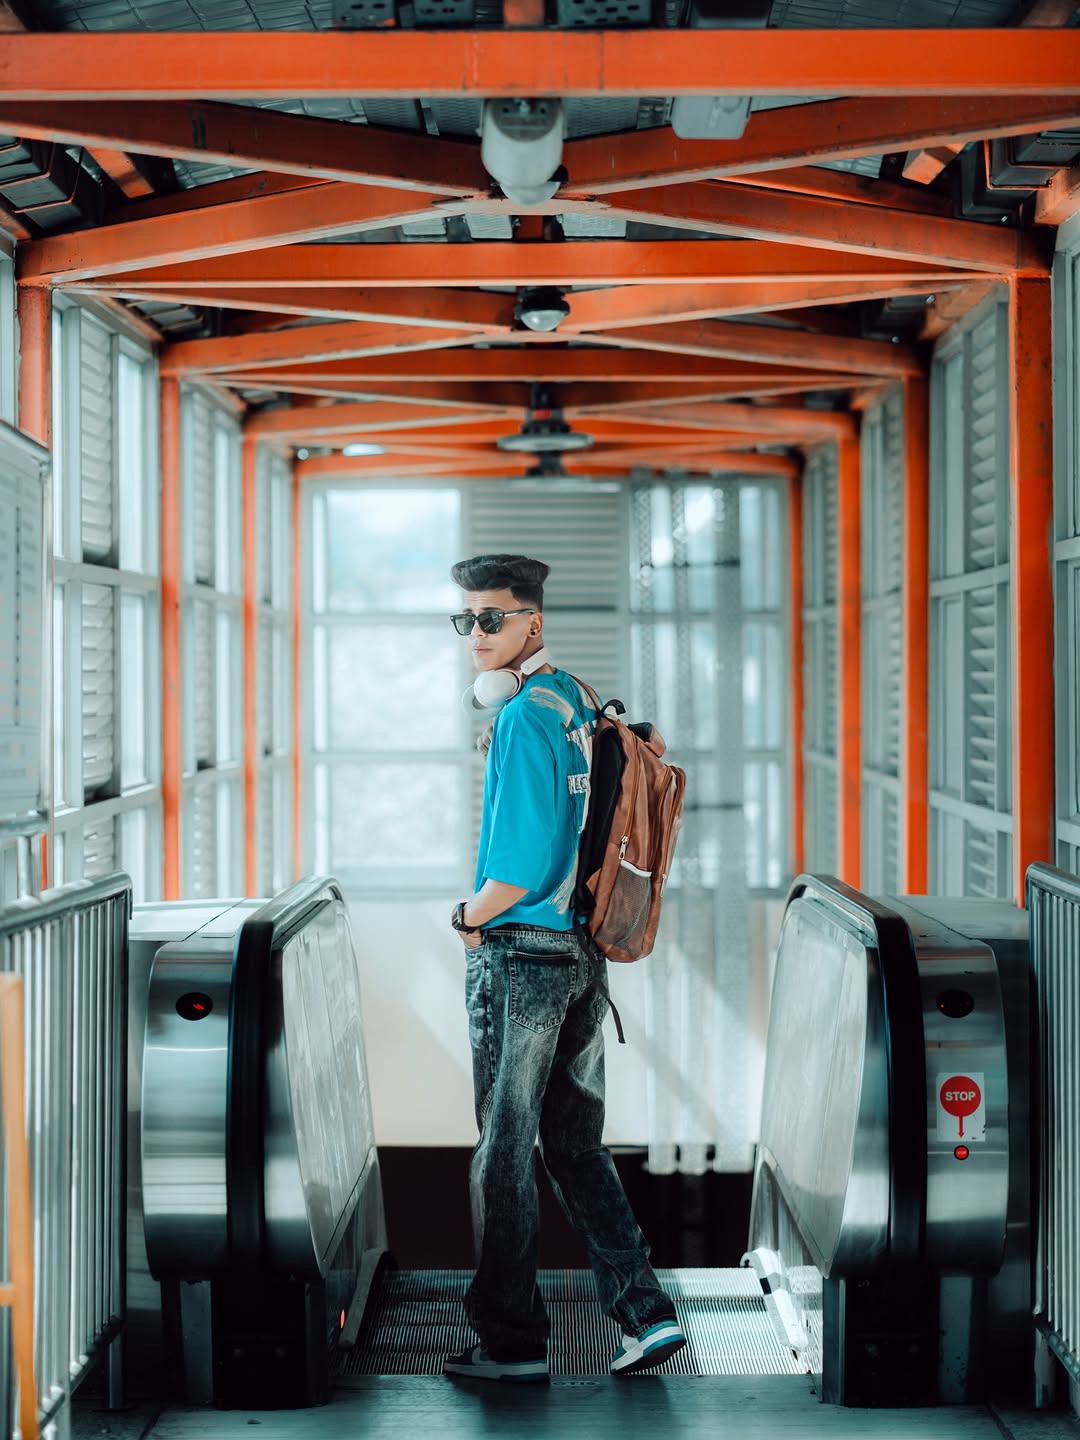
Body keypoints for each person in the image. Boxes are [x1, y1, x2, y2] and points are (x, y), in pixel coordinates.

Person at [442, 552, 685, 1384]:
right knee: (575, 1147)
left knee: (504, 1151)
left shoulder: (520, 721)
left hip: (522, 956)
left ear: (531, 622)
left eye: (491, 619)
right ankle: (646, 1314)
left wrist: (468, 918)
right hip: (584, 954)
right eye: (466, 619)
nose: (476, 634)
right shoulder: (575, 697)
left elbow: (518, 869)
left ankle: (510, 1343)